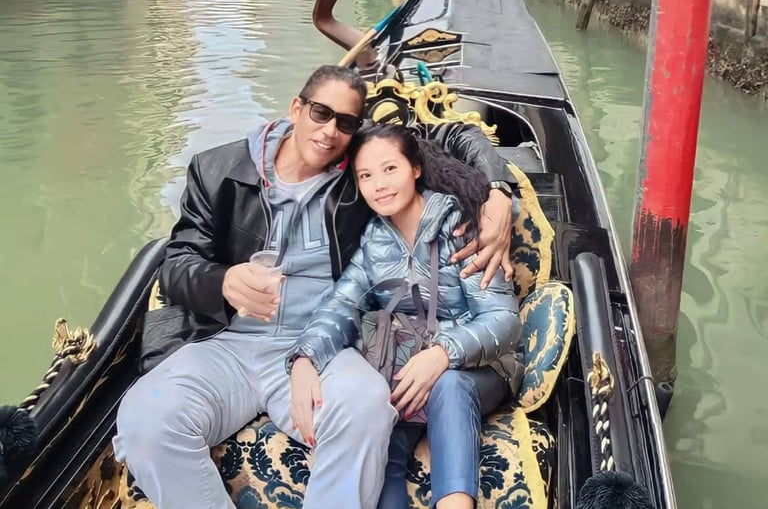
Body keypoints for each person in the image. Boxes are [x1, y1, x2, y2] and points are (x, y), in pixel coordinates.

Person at [113, 65, 519, 509]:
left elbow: (455, 137)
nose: (330, 132)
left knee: (366, 405)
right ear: (296, 108)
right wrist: (223, 281)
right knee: (145, 421)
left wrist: (497, 190)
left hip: (321, 345)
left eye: (345, 122)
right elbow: (175, 267)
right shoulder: (217, 170)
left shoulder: (361, 169)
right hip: (222, 343)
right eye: (320, 114)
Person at [288, 123, 522, 509]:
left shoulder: (463, 225)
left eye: (389, 169)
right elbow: (340, 305)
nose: (378, 184)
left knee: (449, 385)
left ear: (415, 168)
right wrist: (304, 358)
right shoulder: (373, 240)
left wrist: (442, 354)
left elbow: (504, 320)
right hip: (407, 370)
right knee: (378, 420)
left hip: (481, 368)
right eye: (366, 176)